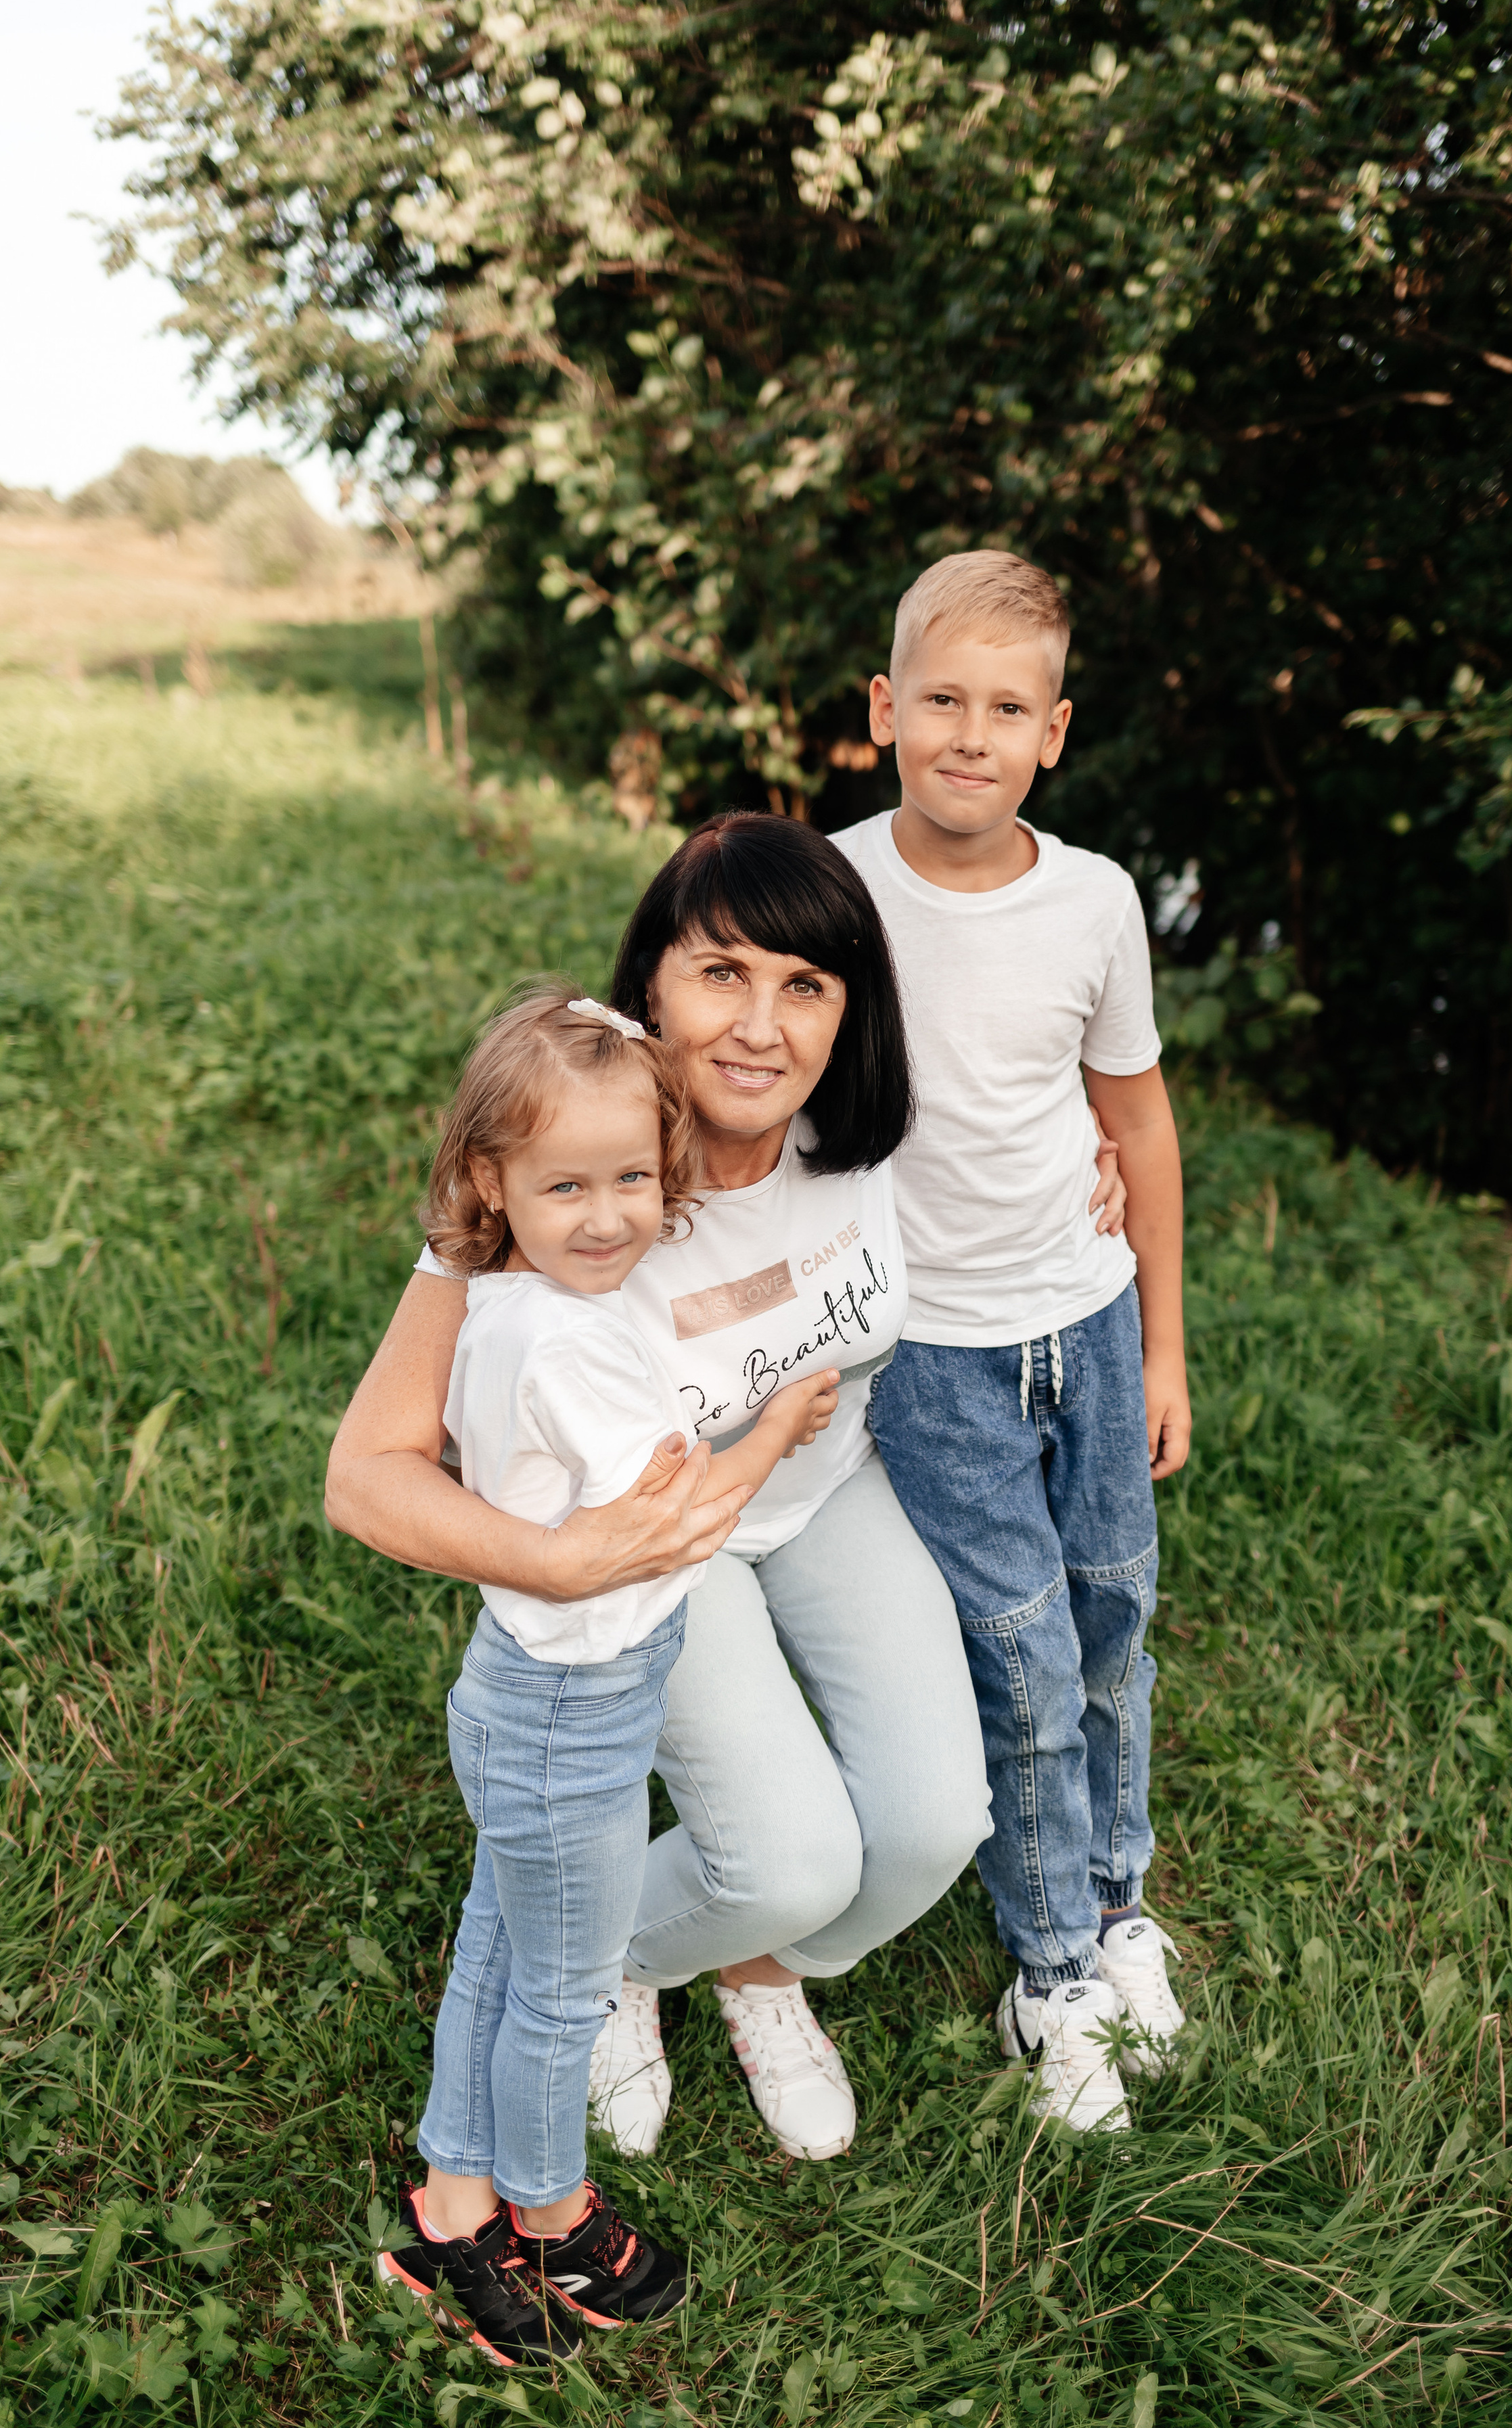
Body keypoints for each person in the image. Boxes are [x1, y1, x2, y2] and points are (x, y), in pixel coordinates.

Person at [330, 817, 1118, 2163]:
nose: (761, 1027)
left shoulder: (868, 1140)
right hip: (655, 1554)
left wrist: (1082, 1163)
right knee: (792, 1859)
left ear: (847, 1011)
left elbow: (1035, 1147)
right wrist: (559, 1562)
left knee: (933, 1828)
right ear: (651, 983)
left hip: (826, 1495)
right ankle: (611, 1969)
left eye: (804, 984)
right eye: (721, 974)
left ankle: (756, 1969)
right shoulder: (572, 1173)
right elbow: (365, 1476)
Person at [377, 987, 837, 2365]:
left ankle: (451, 2202)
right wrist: (778, 1426)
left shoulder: (511, 1300)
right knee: (561, 1993)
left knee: (501, 1943)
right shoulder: (568, 1340)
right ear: (490, 1182)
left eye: (632, 1179)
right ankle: (550, 2214)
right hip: (571, 1719)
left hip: (524, 1693)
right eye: (565, 1186)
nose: (606, 1218)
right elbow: (682, 1514)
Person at [835, 548, 1194, 2135]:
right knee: (1024, 1658)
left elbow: (1136, 1120)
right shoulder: (832, 892)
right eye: (939, 701)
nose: (967, 737)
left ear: (1052, 731)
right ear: (882, 709)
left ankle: (1114, 1910)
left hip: (1089, 1323)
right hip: (931, 1354)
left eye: (1004, 710)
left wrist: (1163, 1349)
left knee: (1112, 1625)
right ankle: (1045, 1973)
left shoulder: (1094, 900)